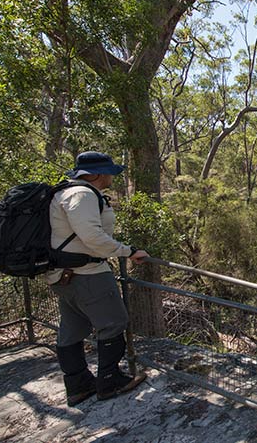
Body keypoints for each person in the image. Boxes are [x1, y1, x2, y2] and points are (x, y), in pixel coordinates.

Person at [47, 151, 150, 406]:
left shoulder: (65, 192)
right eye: (108, 172)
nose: (111, 176)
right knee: (114, 322)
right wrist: (127, 251)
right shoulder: (81, 195)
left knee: (73, 328)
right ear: (97, 174)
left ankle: (78, 385)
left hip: (65, 276)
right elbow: (92, 237)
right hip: (87, 274)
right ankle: (110, 381)